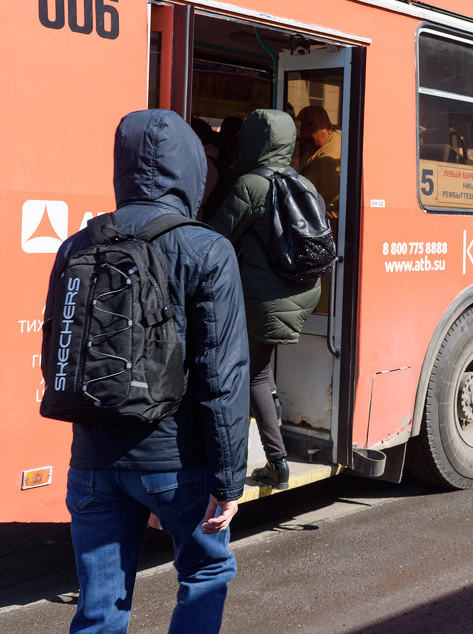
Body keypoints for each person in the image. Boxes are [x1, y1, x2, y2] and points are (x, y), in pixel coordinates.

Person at [53, 109, 249, 634]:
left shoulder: (78, 245)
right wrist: (230, 477)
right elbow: (222, 375)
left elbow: (63, 345)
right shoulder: (207, 248)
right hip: (177, 462)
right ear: (190, 170)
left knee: (99, 608)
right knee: (206, 571)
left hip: (92, 461)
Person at [209, 109, 323, 491]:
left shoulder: (251, 185)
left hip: (264, 297)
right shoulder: (304, 183)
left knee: (247, 375)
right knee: (260, 370)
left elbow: (213, 237)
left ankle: (255, 464)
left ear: (255, 140)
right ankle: (275, 457)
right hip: (299, 292)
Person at [295, 104, 341, 225]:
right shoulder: (313, 149)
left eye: (311, 128)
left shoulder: (329, 157)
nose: (305, 135)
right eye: (302, 129)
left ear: (329, 128)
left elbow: (313, 201)